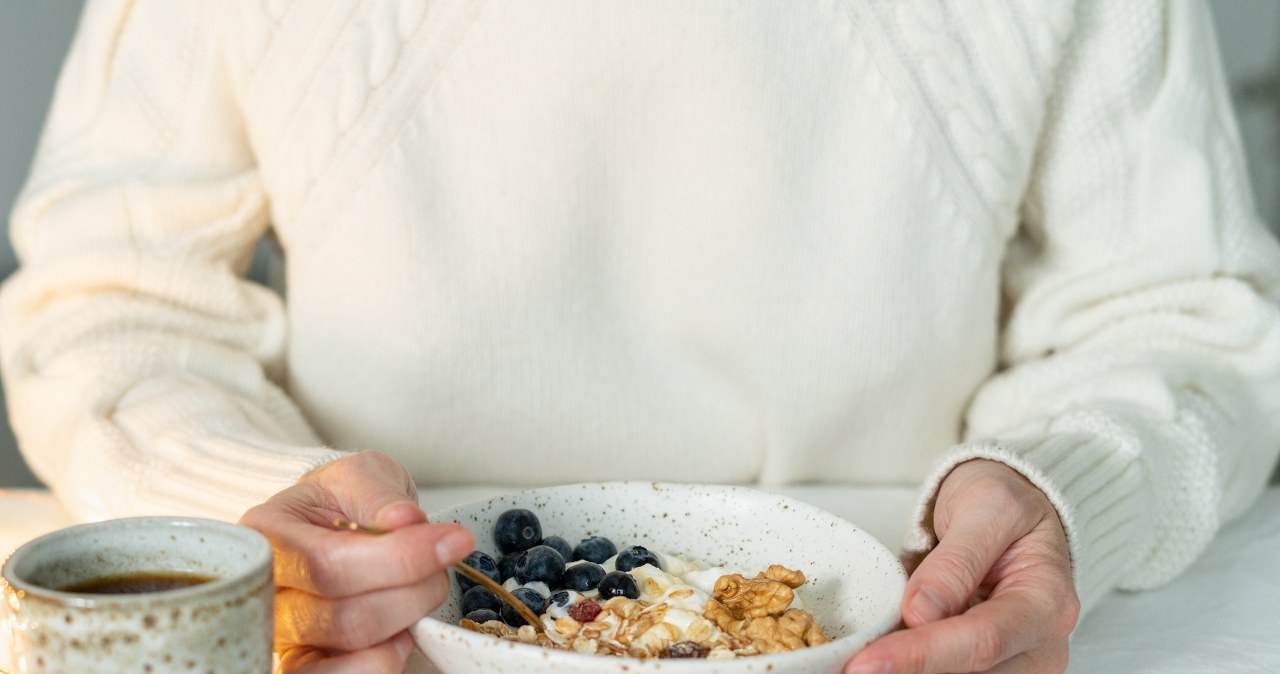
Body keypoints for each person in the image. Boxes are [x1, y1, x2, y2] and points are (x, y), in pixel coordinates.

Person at [3, 1, 1278, 672]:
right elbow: (111, 304)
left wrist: (1054, 488)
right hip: (388, 646)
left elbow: (1179, 313)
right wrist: (269, 530)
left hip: (886, 627)